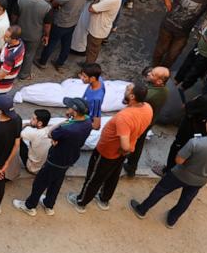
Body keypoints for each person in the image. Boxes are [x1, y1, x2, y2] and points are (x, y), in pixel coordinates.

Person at [131, 112, 207, 228]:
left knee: (160, 190)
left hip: (180, 174)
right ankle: (171, 220)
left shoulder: (195, 143)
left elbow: (179, 160)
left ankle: (142, 209)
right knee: (185, 200)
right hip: (201, 180)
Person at [67, 82, 153, 213]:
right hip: (120, 153)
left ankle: (81, 202)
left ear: (132, 96)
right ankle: (104, 199)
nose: (126, 88)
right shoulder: (147, 108)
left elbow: (124, 144)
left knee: (94, 178)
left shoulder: (125, 117)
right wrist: (124, 151)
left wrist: (124, 149)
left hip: (107, 153)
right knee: (113, 176)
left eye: (128, 89)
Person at [15, 97, 93, 215]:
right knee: (56, 183)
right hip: (70, 158)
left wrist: (56, 139)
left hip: (56, 159)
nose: (67, 108)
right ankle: (49, 205)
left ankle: (29, 206)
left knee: (39, 183)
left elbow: (52, 134)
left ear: (75, 112)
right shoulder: (87, 122)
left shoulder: (68, 129)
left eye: (70, 107)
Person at [152, 0, 207, 68]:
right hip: (168, 27)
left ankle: (163, 71)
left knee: (173, 54)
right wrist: (168, 3)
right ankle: (154, 68)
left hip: (183, 33)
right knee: (160, 50)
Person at [123, 67, 170, 177]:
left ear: (159, 81)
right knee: (138, 142)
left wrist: (128, 92)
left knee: (135, 143)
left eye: (152, 75)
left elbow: (129, 101)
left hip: (142, 122)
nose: (149, 74)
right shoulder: (164, 90)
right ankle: (131, 165)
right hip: (150, 120)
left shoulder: (149, 94)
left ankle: (131, 167)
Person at [15, 0, 51, 79]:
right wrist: (46, 35)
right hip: (34, 35)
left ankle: (11, 71)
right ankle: (24, 75)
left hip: (19, 31)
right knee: (29, 55)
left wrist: (13, 27)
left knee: (16, 52)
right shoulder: (47, 6)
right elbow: (47, 25)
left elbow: (14, 15)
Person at [84, 0, 123, 64]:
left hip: (98, 30)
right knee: (90, 49)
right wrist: (97, 0)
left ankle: (87, 69)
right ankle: (87, 65)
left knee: (92, 51)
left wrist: (95, 1)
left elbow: (91, 8)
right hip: (97, 26)